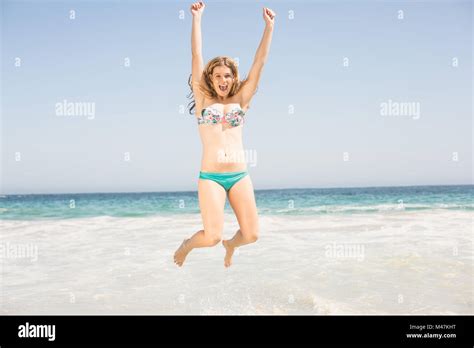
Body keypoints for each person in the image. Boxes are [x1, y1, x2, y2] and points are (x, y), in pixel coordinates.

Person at [174, 1, 275, 267]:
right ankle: (187, 245)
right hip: (211, 177)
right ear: (210, 78)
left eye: (227, 75)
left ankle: (233, 244)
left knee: (252, 235)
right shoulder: (203, 99)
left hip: (240, 175)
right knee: (211, 237)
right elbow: (196, 56)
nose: (222, 79)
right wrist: (197, 18)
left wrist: (269, 27)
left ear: (233, 78)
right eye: (217, 75)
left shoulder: (242, 100)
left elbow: (260, 62)